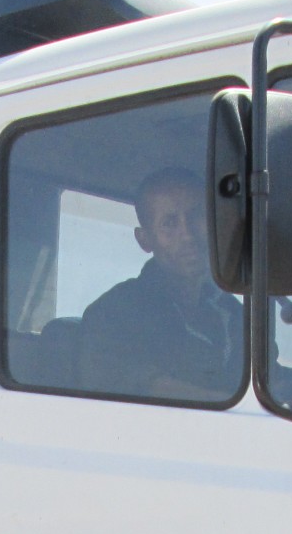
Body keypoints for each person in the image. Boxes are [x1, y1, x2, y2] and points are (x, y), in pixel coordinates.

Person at [78, 167, 244, 402]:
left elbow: (271, 379)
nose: (187, 235)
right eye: (169, 223)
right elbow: (129, 382)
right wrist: (228, 403)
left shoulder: (233, 312)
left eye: (196, 216)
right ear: (144, 239)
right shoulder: (114, 311)